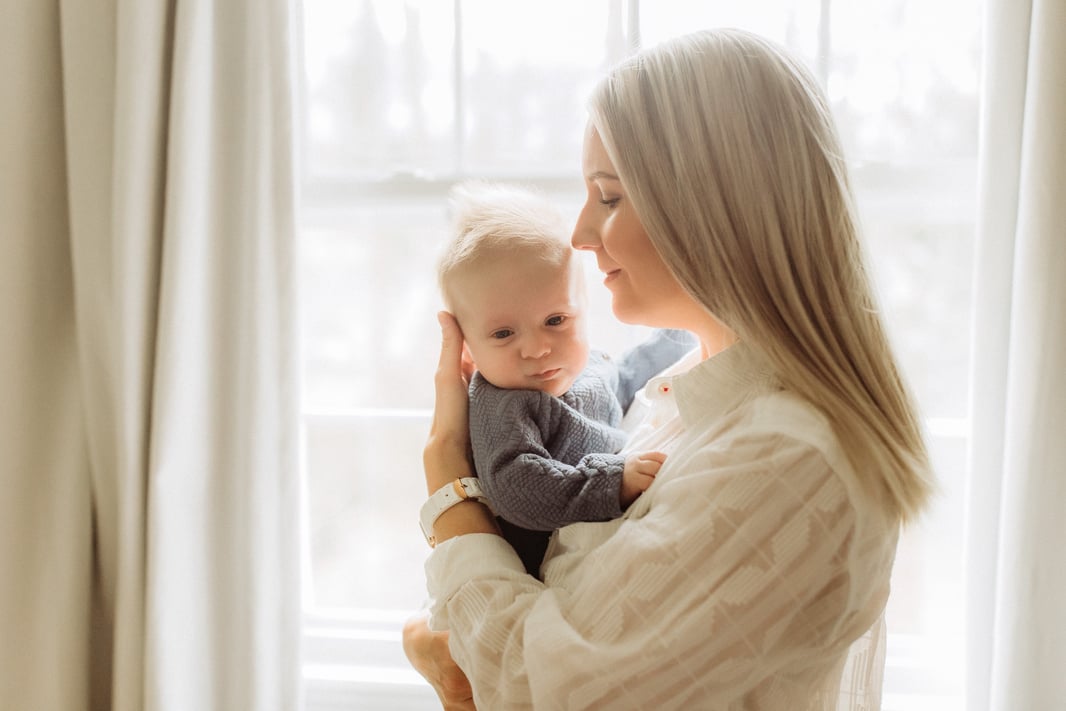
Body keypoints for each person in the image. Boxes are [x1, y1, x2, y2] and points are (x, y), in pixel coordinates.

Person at [405, 28, 934, 710]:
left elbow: (542, 689)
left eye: (609, 195)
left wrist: (448, 484)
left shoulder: (785, 457)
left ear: (713, 207)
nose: (580, 233)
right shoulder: (680, 398)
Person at [437, 182, 695, 576]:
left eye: (556, 321)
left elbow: (625, 381)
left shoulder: (587, 367)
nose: (538, 348)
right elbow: (517, 486)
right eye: (504, 334)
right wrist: (611, 482)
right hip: (528, 577)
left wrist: (681, 328)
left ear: (582, 309)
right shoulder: (503, 404)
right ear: (468, 350)